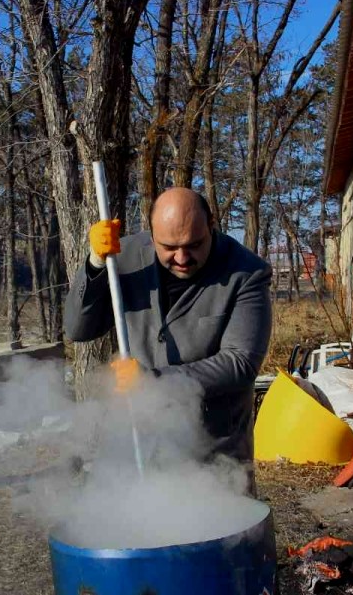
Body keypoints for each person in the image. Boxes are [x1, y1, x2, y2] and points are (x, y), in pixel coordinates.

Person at [64, 186, 273, 494]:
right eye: (169, 247)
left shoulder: (246, 273)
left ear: (211, 224)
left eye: (194, 244)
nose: (182, 257)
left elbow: (240, 362)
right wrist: (95, 264)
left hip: (212, 457)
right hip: (135, 445)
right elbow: (79, 330)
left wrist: (156, 380)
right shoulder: (125, 258)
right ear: (151, 234)